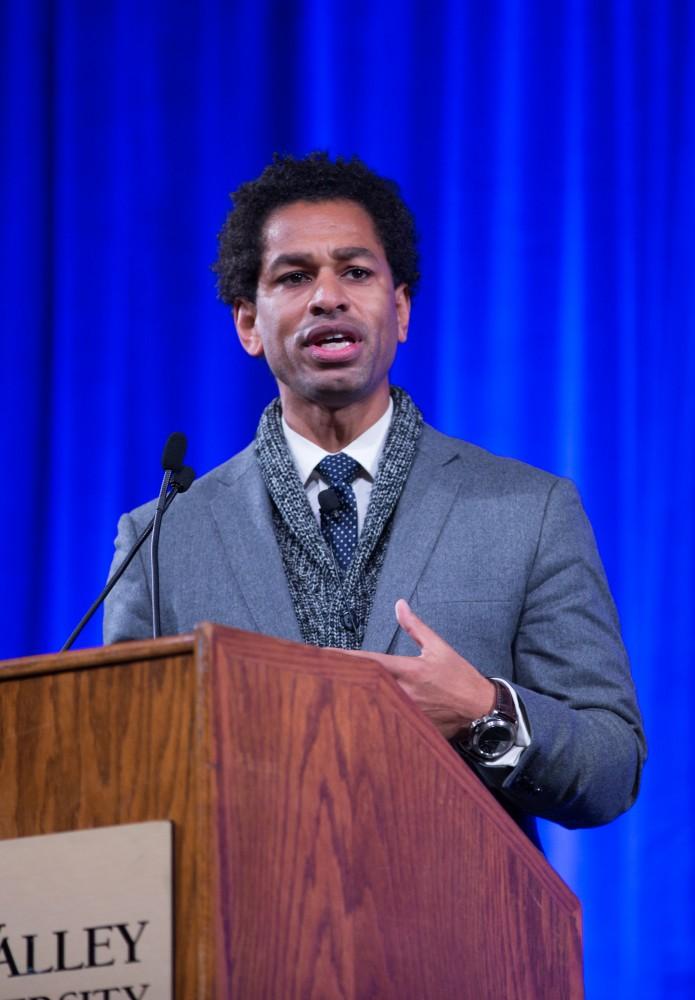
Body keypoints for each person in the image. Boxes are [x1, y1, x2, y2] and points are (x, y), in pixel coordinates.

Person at [104, 152, 645, 844]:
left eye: (354, 272)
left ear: (398, 310)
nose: (328, 296)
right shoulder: (161, 540)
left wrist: (484, 709)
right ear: (247, 323)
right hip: (244, 939)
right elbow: (124, 780)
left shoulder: (527, 510)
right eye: (294, 276)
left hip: (460, 935)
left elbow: (609, 766)